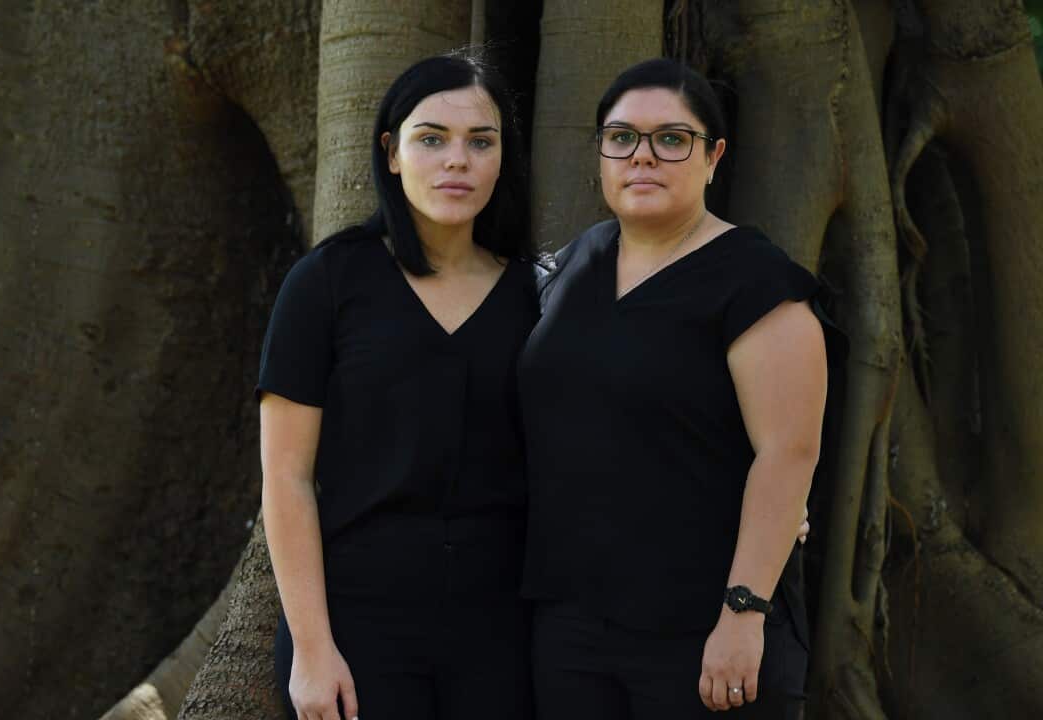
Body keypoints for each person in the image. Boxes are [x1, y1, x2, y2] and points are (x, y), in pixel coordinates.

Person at [519, 58, 843, 718]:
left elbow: (788, 455)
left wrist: (743, 614)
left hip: (706, 628)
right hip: (571, 628)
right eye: (622, 138)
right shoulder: (574, 265)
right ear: (600, 152)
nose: (644, 157)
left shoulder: (757, 285)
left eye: (671, 139)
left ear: (713, 156)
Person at [257, 52, 538, 720]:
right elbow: (285, 477)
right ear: (391, 152)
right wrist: (313, 649)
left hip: (502, 635)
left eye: (481, 142)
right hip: (356, 630)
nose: (457, 161)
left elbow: (620, 425)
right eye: (431, 138)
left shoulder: (539, 294)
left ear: (504, 158)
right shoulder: (327, 284)